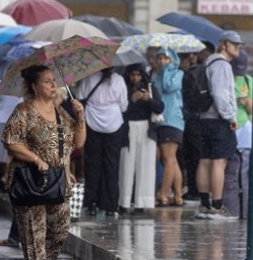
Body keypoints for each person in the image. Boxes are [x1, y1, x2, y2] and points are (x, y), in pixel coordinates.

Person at [2, 65, 86, 260]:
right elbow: (11, 141)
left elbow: (77, 143)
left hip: (58, 180)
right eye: (47, 81)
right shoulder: (23, 111)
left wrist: (81, 117)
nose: (52, 85)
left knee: (58, 230)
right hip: (29, 181)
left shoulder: (61, 112)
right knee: (33, 233)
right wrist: (36, 159)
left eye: (53, 81)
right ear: (34, 87)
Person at [196, 31, 242, 219]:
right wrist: (231, 117)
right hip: (219, 120)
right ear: (223, 45)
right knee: (218, 162)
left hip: (204, 118)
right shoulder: (222, 65)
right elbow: (220, 94)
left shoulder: (208, 63)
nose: (238, 48)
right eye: (235, 44)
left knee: (205, 160)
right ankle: (216, 205)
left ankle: (205, 204)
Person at [77, 68, 128, 217]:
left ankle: (91, 202)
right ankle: (110, 205)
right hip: (114, 124)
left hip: (92, 122)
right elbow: (124, 106)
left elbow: (80, 96)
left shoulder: (88, 78)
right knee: (112, 164)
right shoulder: (118, 80)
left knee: (92, 163)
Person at [119, 64, 163, 212]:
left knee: (146, 166)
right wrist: (132, 100)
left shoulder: (150, 87)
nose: (135, 78)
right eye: (132, 75)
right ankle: (124, 202)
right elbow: (121, 111)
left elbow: (160, 107)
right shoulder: (124, 88)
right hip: (129, 128)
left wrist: (148, 99)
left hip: (146, 129)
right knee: (126, 165)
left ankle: (142, 202)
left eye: (138, 75)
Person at [181, 41, 215, 202]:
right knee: (200, 157)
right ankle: (202, 192)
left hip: (192, 119)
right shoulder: (208, 72)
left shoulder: (193, 73)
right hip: (203, 118)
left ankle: (196, 191)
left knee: (195, 158)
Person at [152, 48, 185, 206]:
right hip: (160, 120)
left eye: (166, 58)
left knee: (168, 158)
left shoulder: (178, 74)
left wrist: (166, 71)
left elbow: (168, 87)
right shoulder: (155, 75)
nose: (162, 62)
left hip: (172, 120)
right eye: (160, 58)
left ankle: (163, 194)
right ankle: (178, 195)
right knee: (171, 160)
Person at [224, 49, 252, 218]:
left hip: (244, 130)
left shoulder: (248, 81)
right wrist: (234, 100)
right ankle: (231, 209)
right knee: (230, 173)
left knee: (245, 173)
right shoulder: (225, 80)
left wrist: (247, 102)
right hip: (229, 127)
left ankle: (246, 211)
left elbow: (252, 110)